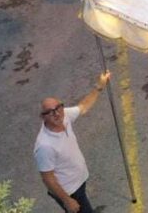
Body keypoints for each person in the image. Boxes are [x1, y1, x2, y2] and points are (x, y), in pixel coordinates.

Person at [34, 72, 111, 213]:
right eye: (50, 112)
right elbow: (48, 179)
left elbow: (83, 107)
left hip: (78, 181)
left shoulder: (64, 116)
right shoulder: (45, 146)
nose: (56, 113)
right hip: (70, 191)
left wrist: (99, 87)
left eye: (58, 107)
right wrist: (67, 201)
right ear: (43, 117)